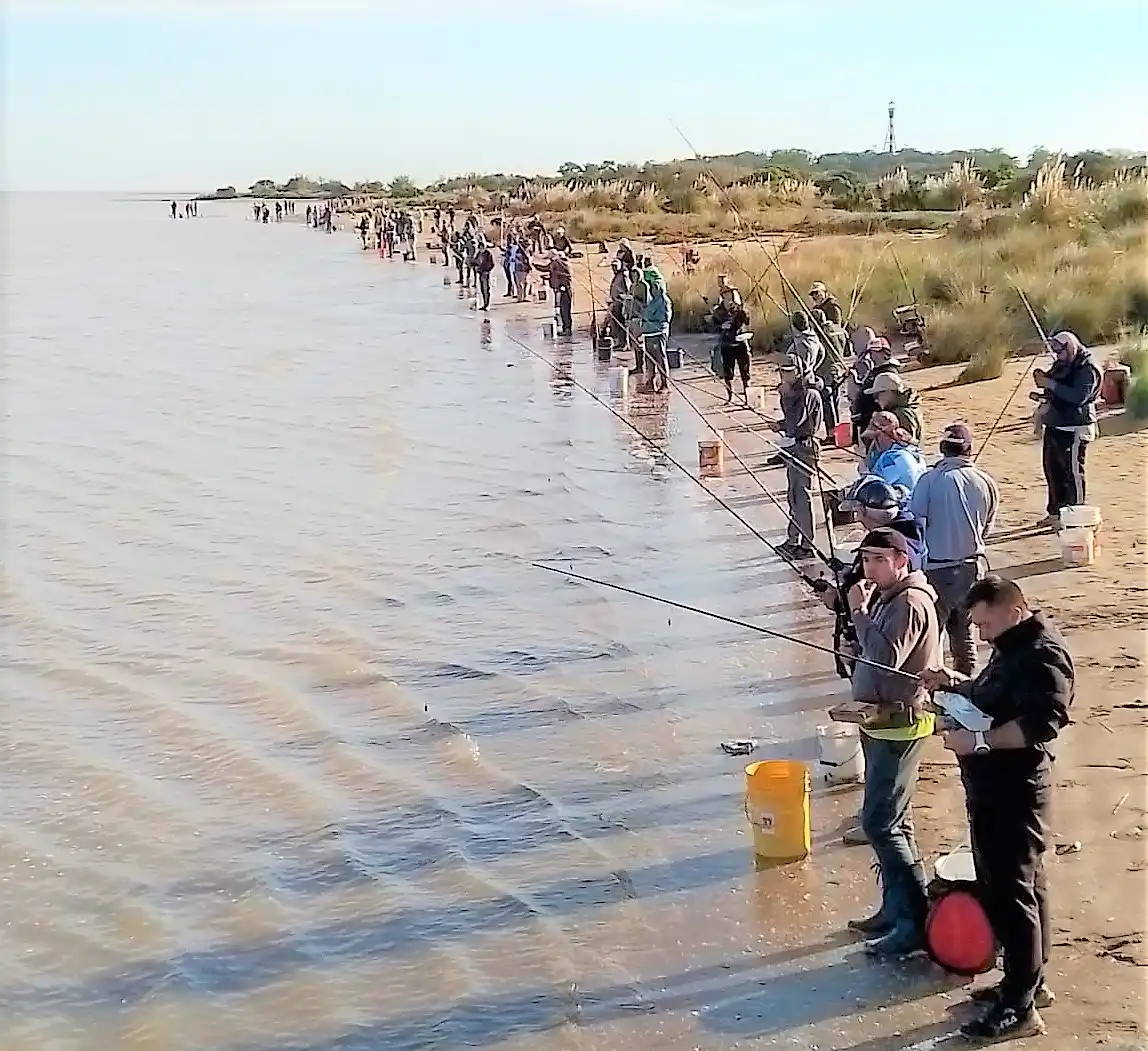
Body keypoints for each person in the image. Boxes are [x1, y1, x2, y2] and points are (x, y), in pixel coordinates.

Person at [922, 576, 1072, 1040]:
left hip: (1015, 792)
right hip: (992, 789)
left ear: (1013, 611)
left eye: (985, 625)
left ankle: (1019, 1009)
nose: (981, 635)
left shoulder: (1043, 656)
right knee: (1024, 887)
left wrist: (979, 742)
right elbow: (997, 697)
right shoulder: (1010, 646)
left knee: (1012, 895)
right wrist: (957, 685)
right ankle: (1028, 983)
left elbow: (1043, 723)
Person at [846, 527, 940, 956]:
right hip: (880, 723)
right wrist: (853, 610)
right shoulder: (890, 596)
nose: (870, 569)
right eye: (866, 560)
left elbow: (886, 658)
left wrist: (859, 612)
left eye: (879, 560)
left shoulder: (911, 602)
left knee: (880, 823)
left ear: (903, 560)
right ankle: (896, 907)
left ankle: (912, 923)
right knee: (896, 822)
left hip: (900, 725)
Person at [911, 422, 999, 675]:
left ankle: (927, 685)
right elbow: (987, 526)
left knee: (931, 634)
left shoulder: (929, 480)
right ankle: (966, 682)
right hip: (973, 567)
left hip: (937, 570)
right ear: (969, 449)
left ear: (942, 448)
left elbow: (917, 520)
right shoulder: (986, 481)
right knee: (963, 630)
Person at [1032, 330, 1102, 529]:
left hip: (1076, 428)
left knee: (1072, 474)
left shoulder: (1088, 368)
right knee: (1052, 471)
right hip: (1055, 423)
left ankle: (1076, 516)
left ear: (1070, 347)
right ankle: (1056, 513)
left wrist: (1050, 384)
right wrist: (1042, 380)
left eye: (1061, 352)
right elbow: (1053, 382)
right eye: (1055, 352)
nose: (1058, 356)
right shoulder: (1062, 363)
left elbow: (1078, 396)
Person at [768, 358, 824, 560]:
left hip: (806, 448)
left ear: (799, 372)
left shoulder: (808, 394)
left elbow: (794, 422)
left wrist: (784, 398)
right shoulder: (795, 393)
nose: (784, 375)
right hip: (795, 446)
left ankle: (808, 545)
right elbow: (790, 422)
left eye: (788, 371)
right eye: (782, 371)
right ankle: (793, 540)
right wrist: (780, 424)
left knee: (802, 497)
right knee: (793, 495)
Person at [860, 411, 928, 494]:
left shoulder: (890, 459)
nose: (874, 443)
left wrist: (865, 472)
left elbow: (877, 489)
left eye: (875, 438)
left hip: (904, 499)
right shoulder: (912, 451)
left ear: (880, 434)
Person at [850, 336, 902, 438]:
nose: (872, 356)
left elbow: (886, 399)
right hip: (866, 421)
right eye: (871, 353)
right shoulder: (876, 370)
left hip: (876, 425)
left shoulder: (888, 371)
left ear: (885, 352)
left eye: (875, 352)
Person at [711, 286, 752, 404]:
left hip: (741, 342)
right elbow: (713, 327)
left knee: (745, 372)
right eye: (728, 294)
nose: (731, 296)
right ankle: (730, 398)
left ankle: (748, 398)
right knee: (728, 373)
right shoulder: (718, 311)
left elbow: (747, 321)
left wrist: (743, 310)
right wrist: (722, 326)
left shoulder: (739, 308)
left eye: (732, 293)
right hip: (726, 344)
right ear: (723, 295)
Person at [812, 306, 848, 439]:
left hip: (825, 371)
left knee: (827, 403)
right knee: (836, 402)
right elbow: (848, 351)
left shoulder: (820, 334)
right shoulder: (840, 330)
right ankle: (838, 433)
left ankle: (831, 434)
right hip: (839, 369)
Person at [640, 268, 673, 392]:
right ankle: (651, 381)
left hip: (659, 333)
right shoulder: (652, 300)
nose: (653, 289)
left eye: (655, 287)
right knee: (649, 358)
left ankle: (665, 384)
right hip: (648, 333)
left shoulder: (664, 301)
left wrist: (652, 321)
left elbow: (666, 318)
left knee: (660, 357)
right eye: (652, 287)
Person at [866, 371, 923, 443]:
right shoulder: (907, 408)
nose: (876, 400)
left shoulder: (901, 415)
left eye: (877, 395)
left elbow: (905, 444)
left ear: (889, 392)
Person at [785, 311, 825, 377]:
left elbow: (802, 367)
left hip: (801, 379)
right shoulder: (813, 336)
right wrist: (813, 368)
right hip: (810, 374)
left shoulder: (801, 344)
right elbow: (822, 352)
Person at [626, 265, 649, 377]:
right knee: (633, 343)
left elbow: (646, 301)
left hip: (639, 316)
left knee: (639, 342)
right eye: (633, 275)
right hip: (631, 316)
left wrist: (636, 299)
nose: (634, 276)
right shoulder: (632, 286)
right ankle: (637, 365)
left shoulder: (644, 286)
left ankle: (641, 366)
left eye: (636, 275)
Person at [546, 249, 573, 337]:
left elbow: (547, 268)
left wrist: (534, 265)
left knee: (564, 310)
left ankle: (567, 329)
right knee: (564, 309)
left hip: (564, 289)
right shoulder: (564, 263)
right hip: (565, 288)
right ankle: (566, 328)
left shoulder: (558, 263)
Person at [473, 235, 495, 310]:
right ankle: (484, 304)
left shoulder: (488, 254)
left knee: (486, 289)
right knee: (482, 289)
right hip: (480, 273)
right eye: (479, 248)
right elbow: (475, 261)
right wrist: (476, 267)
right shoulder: (479, 254)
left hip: (486, 274)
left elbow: (492, 264)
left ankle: (487, 304)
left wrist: (487, 270)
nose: (481, 249)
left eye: (482, 247)